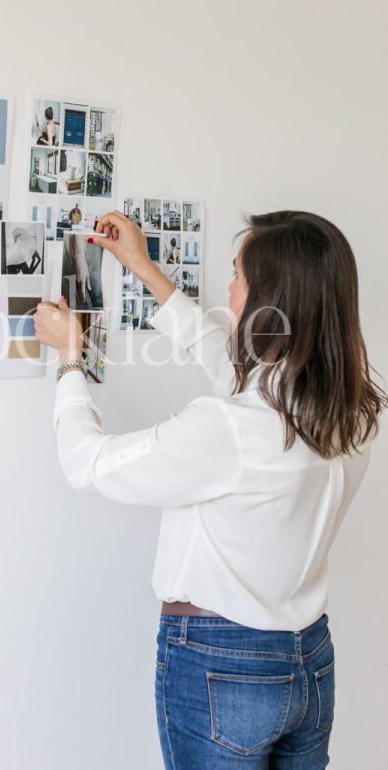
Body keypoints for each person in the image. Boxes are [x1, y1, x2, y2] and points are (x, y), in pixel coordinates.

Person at [34, 209, 387, 768]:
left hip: (223, 666)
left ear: (272, 298)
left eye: (238, 276)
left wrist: (68, 359)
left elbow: (87, 464)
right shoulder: (352, 410)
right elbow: (227, 362)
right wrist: (145, 270)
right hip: (310, 664)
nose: (230, 288)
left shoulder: (231, 429)